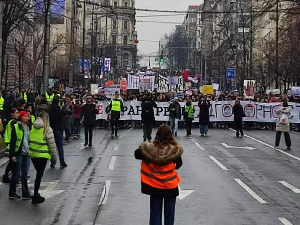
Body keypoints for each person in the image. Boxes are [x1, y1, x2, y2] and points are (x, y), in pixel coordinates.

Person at [134, 124, 183, 225]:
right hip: (170, 187)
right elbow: (178, 164)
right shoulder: (174, 150)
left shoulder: (150, 148)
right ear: (170, 135)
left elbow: (137, 154)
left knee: (155, 214)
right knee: (170, 215)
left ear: (157, 134)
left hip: (154, 186)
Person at [29, 110, 57, 204]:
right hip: (43, 155)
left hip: (33, 154)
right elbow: (52, 146)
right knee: (39, 175)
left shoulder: (33, 128)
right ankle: (35, 195)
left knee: (38, 173)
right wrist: (54, 159)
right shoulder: (47, 129)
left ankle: (36, 194)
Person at [8, 111, 32, 200]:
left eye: (28, 116)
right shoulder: (16, 126)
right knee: (16, 174)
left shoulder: (29, 127)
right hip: (19, 153)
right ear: (21, 117)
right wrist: (12, 155)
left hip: (27, 152)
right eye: (25, 116)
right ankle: (12, 193)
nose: (27, 117)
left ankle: (25, 193)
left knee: (25, 174)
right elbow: (13, 142)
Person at [49, 96, 67, 168]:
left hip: (50, 129)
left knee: (51, 147)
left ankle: (52, 162)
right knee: (60, 147)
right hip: (58, 130)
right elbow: (66, 112)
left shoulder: (49, 110)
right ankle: (62, 162)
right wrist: (63, 107)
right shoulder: (60, 111)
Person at [2, 108, 20, 183]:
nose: (17, 114)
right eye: (16, 113)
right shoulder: (13, 122)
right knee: (14, 162)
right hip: (12, 144)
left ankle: (6, 176)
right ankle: (14, 177)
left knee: (11, 162)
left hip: (9, 143)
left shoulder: (10, 121)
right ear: (12, 114)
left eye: (17, 113)